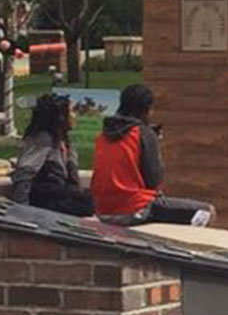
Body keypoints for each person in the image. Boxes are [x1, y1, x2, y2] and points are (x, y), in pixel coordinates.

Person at [90, 84, 213, 226]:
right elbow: (154, 179)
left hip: (102, 208)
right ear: (146, 109)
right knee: (207, 211)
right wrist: (153, 143)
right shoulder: (143, 134)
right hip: (134, 207)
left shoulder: (103, 135)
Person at [9, 92, 93, 216]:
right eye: (71, 112)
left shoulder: (63, 139)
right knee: (86, 204)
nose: (75, 116)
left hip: (58, 190)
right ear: (61, 117)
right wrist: (21, 210)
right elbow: (24, 172)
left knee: (88, 200)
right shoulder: (43, 138)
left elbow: (72, 174)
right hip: (44, 195)